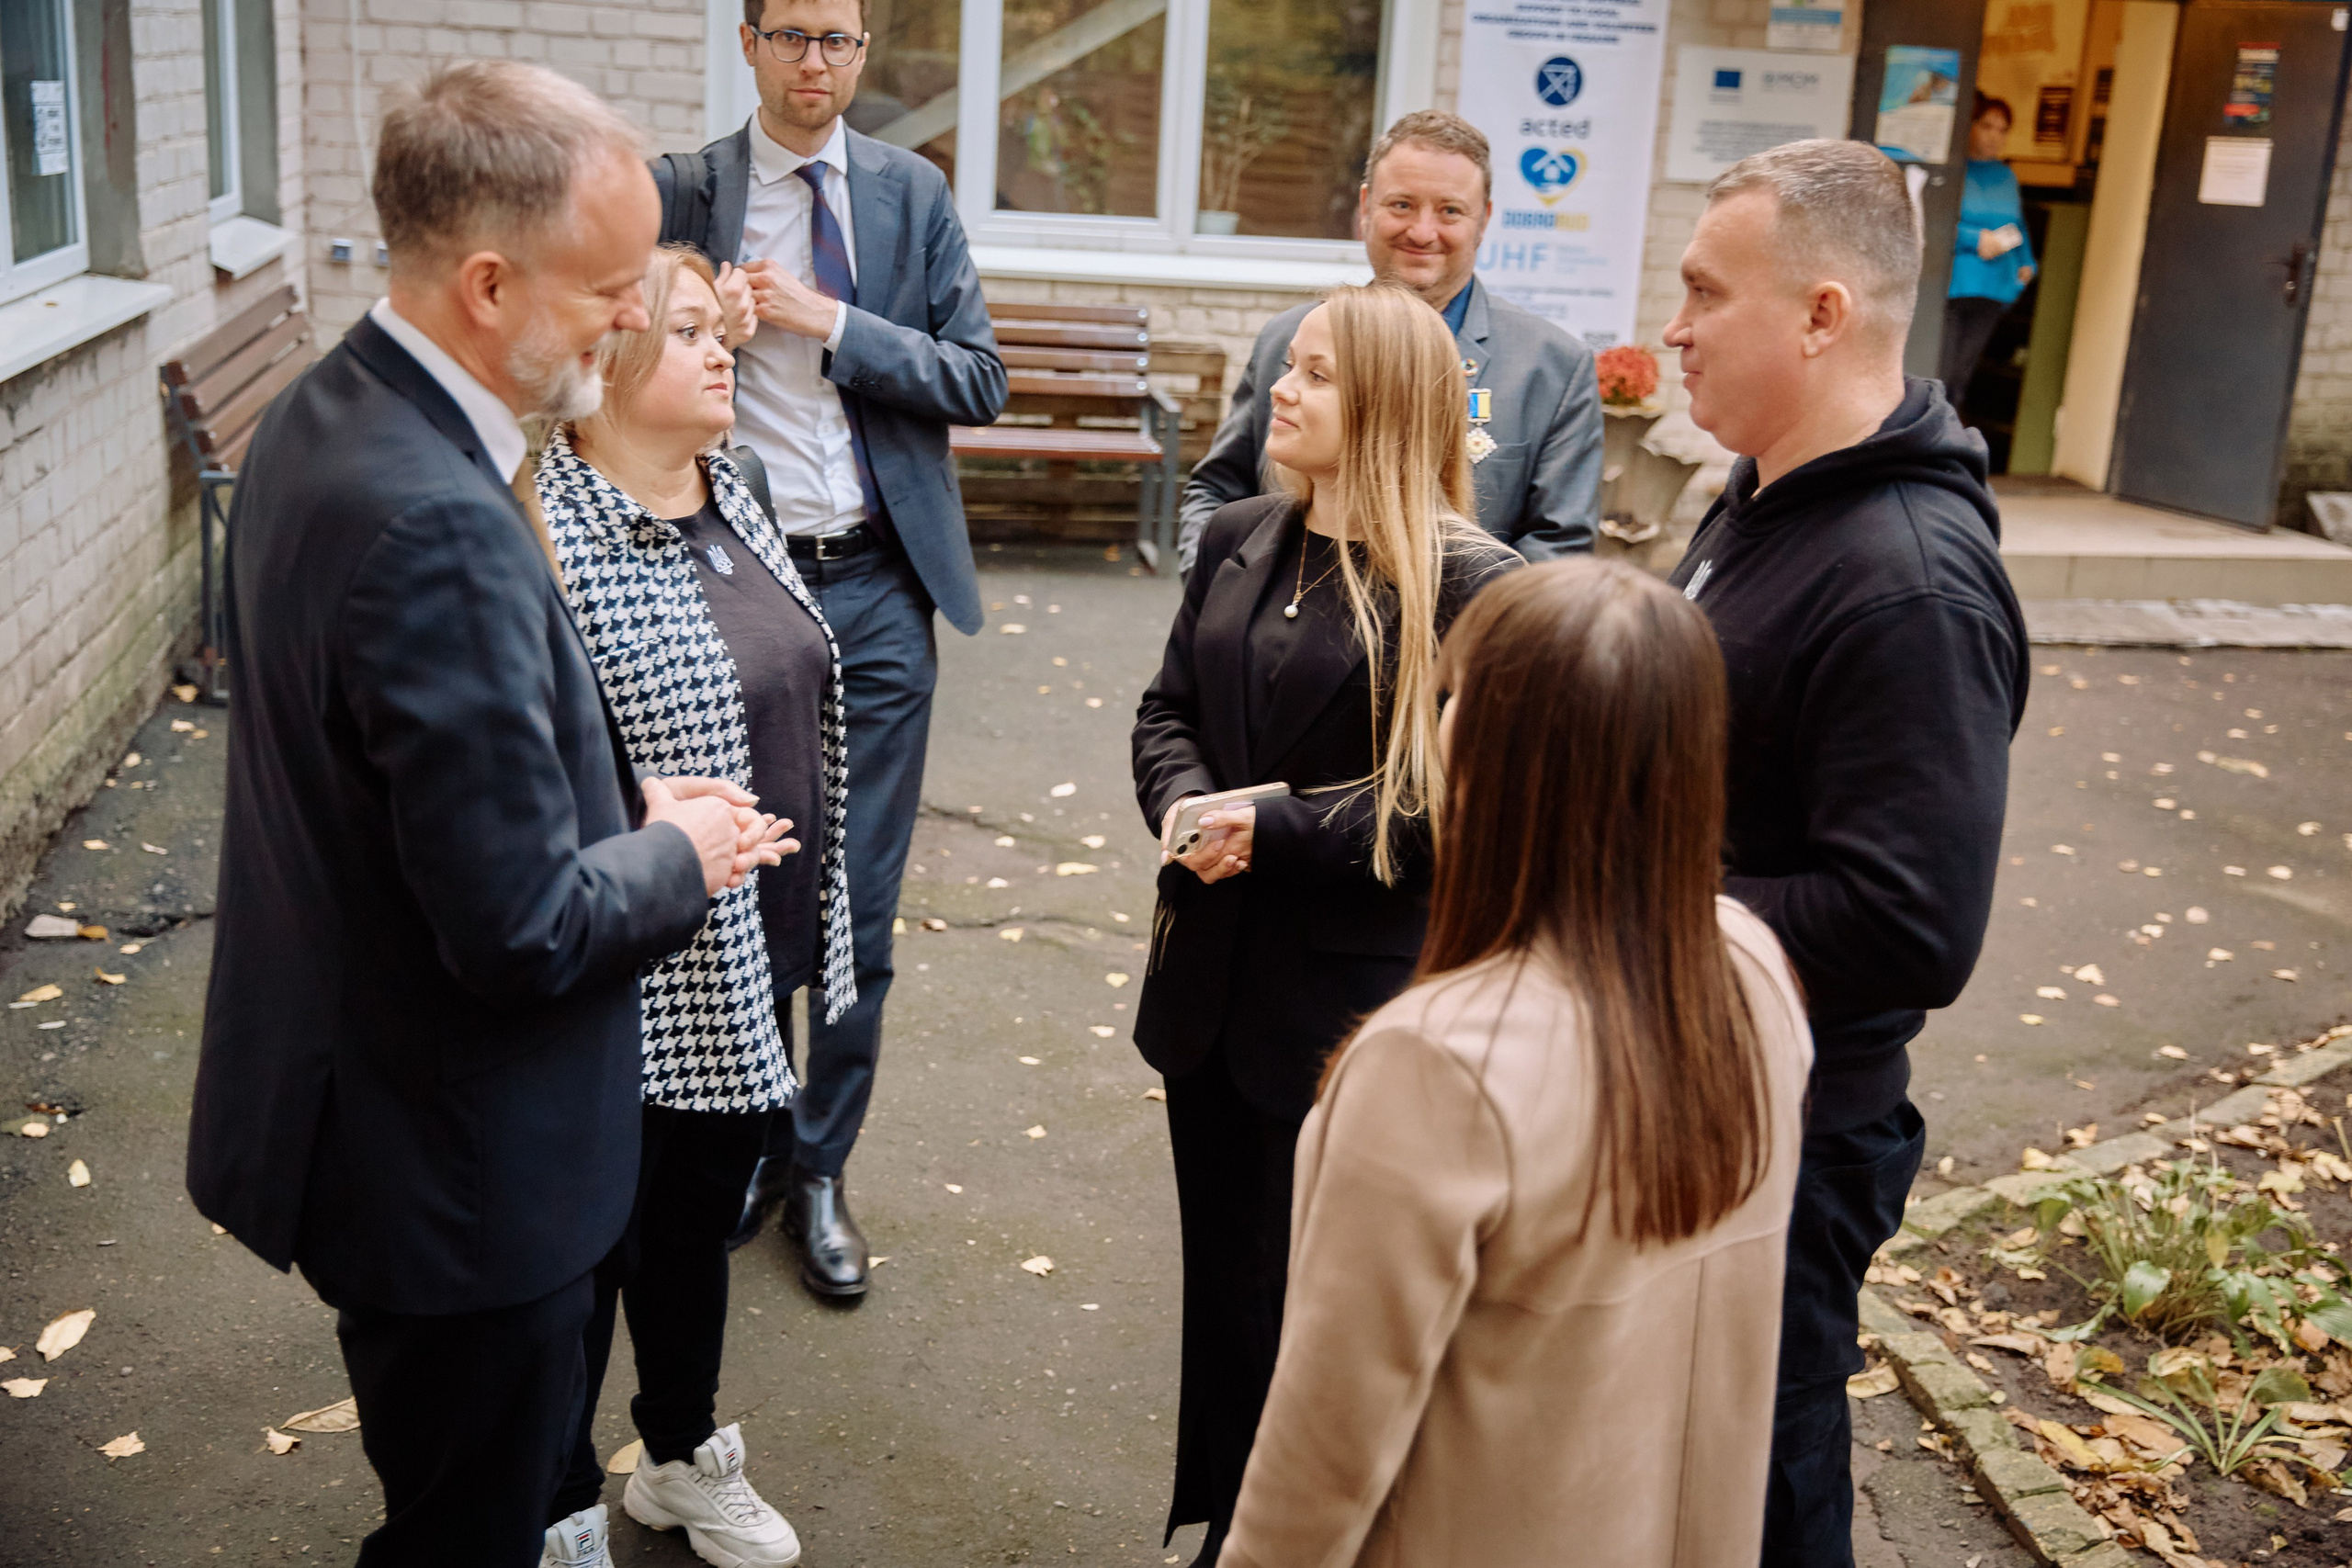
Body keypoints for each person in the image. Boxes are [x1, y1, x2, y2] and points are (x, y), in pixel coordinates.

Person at [186, 62, 792, 1567]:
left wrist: (599, 791)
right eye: (607, 289)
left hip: (367, 1108)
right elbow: (520, 929)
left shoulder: (330, 415)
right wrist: (680, 848)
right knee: (469, 1529)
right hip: (459, 1178)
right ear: (485, 281)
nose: (630, 321)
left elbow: (373, 766)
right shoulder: (442, 520)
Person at [1218, 558, 1815, 1568]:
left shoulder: (1436, 1063)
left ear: (1501, 756)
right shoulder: (1750, 969)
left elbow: (1325, 1445)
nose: (1440, 726)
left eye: (1454, 701)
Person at [1662, 140, 2030, 1565]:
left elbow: (1910, 922)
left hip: (1791, 1131)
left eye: (1704, 292)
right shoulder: (1757, 495)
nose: (1673, 327)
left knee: (1759, 1483)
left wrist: (1620, 899)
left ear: (1822, 314)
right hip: (1696, 1080)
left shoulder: (1911, 587)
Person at [1131, 281, 1521, 1566]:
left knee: (1335, 1308)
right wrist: (1190, 800)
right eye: (1286, 368)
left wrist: (1277, 826)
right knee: (1228, 1293)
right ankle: (1223, 1518)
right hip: (1211, 991)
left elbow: (1459, 800)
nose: (1280, 393)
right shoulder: (1243, 531)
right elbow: (1166, 711)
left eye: (1314, 374)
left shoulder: (1471, 583)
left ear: (1394, 406)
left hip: (1350, 1009)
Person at [654, 0, 1009, 1297]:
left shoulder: (911, 195)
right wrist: (697, 337)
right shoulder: (681, 191)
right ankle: (744, 1135)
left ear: (865, 52)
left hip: (871, 584)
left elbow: (979, 376)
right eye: (793, 34)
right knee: (741, 870)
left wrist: (826, 320)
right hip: (724, 579)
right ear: (747, 41)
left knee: (856, 895)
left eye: (840, 40)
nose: (817, 62)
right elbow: (610, 357)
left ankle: (816, 1166)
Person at [531, 244, 855, 1568]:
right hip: (620, 967)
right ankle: (553, 1500)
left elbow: (788, 680)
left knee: (690, 1233)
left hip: (740, 953)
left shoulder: (738, 490)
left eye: (722, 330)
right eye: (684, 334)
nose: (722, 351)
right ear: (598, 360)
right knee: (578, 1256)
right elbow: (529, 782)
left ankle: (677, 1456)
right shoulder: (548, 534)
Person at [1177, 110, 1602, 575]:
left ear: (1484, 220)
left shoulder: (1554, 369)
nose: (1422, 232)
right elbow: (1216, 494)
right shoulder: (1287, 340)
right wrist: (1216, 598)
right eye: (1401, 205)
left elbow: (1556, 552)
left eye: (1450, 211)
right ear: (1365, 207)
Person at [1939, 94, 2037, 413]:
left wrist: (2027, 263)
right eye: (1987, 126)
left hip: (1993, 289)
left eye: (2002, 129)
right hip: (1952, 287)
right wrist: (1972, 238)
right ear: (1970, 126)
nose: (1995, 136)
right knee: (1940, 373)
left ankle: (1945, 451)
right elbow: (1934, 222)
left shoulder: (2007, 176)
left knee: (1960, 379)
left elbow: (2017, 225)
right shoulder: (1953, 170)